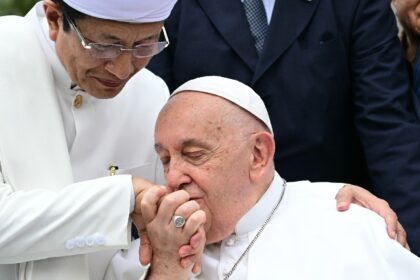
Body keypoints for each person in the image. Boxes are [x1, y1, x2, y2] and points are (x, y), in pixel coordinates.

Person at [148, 0, 420, 255]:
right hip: (208, 236)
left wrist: (411, 246)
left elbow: (388, 129)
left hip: (333, 226)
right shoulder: (168, 6)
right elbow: (153, 123)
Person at [140, 76, 420, 279]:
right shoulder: (146, 254)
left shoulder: (351, 228)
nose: (173, 177)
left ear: (258, 154)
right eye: (165, 159)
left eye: (194, 154)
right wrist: (167, 266)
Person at [0, 0, 196, 279]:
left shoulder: (151, 96)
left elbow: (144, 248)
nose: (121, 70)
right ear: (55, 19)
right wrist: (123, 198)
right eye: (105, 46)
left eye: (144, 47)